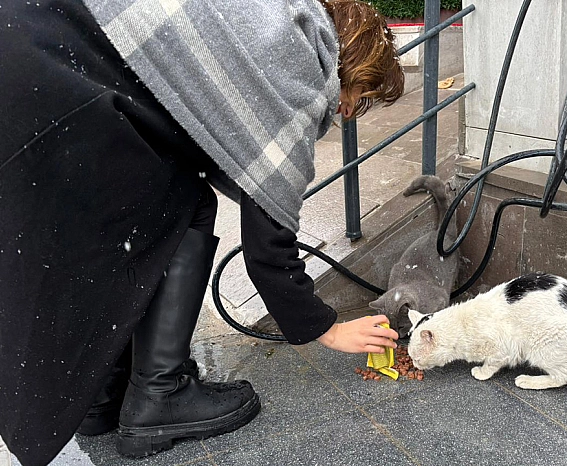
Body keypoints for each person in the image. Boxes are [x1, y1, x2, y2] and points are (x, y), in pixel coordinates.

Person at [0, 0, 404, 463]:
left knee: (128, 210)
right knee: (185, 204)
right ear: (352, 65)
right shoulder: (298, 67)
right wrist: (327, 329)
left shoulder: (266, 18)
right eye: (359, 95)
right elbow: (268, 245)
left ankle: (103, 395)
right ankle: (160, 394)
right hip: (54, 87)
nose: (348, 111)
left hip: (31, 55)